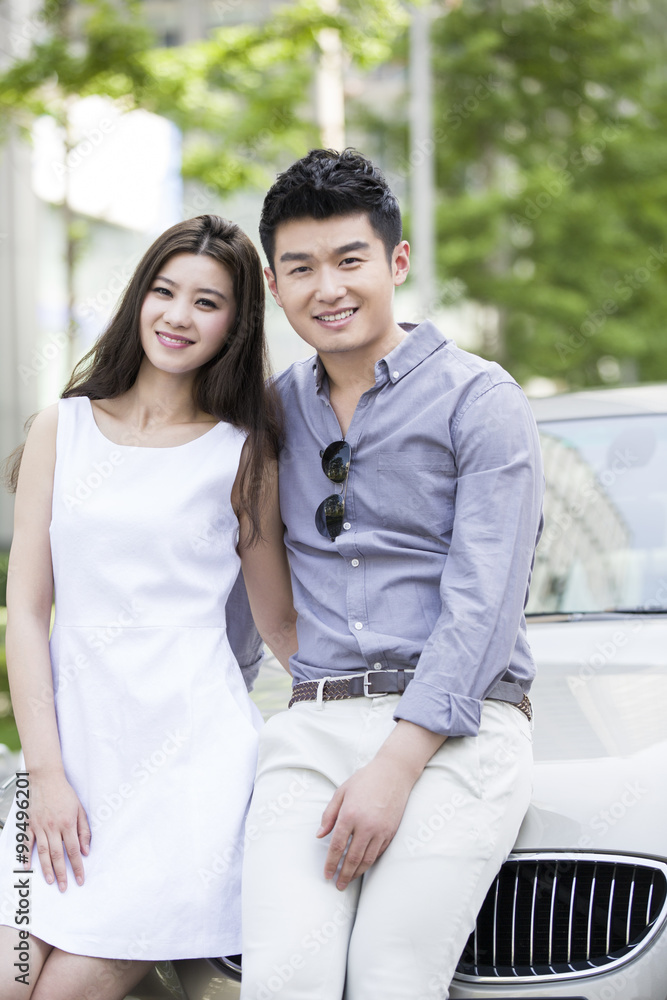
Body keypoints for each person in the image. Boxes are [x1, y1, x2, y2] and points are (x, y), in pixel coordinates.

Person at [240, 149, 544, 1000]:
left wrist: (397, 761)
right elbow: (254, 567)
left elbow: (483, 601)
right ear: (274, 283)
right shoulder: (272, 412)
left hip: (460, 728)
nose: (326, 288)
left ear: (395, 263)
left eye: (350, 260)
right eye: (300, 268)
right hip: (314, 727)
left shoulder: (479, 399)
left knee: (389, 979)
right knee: (283, 980)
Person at [0, 215, 297, 1000]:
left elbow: (279, 624)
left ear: (236, 323)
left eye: (207, 302)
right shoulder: (59, 429)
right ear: (138, 299)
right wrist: (47, 773)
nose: (177, 315)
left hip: (186, 777)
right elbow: (27, 612)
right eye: (164, 291)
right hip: (63, 771)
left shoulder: (244, 451)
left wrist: (381, 719)